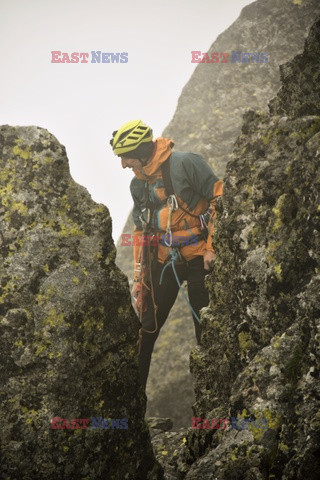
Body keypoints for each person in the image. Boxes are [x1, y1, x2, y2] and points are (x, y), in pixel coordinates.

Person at [110, 120, 223, 390]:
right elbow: (140, 231)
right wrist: (140, 278)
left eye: (125, 157)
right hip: (163, 260)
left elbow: (220, 197)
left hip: (198, 256)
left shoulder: (186, 163)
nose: (123, 164)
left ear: (140, 150)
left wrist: (212, 248)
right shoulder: (138, 186)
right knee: (146, 329)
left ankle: (214, 395)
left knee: (203, 324)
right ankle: (132, 402)